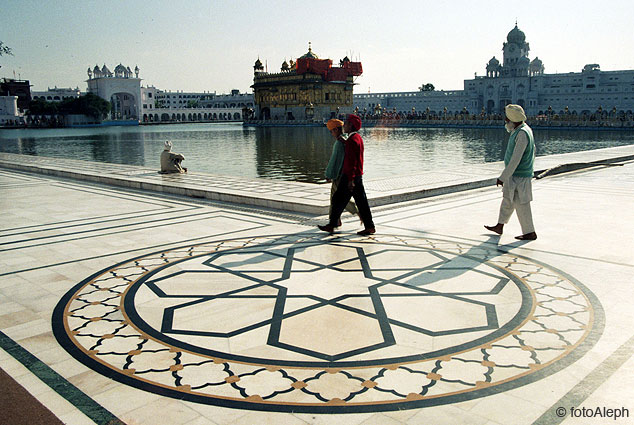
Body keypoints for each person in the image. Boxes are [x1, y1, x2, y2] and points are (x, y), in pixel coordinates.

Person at [485, 104, 537, 240]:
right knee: (508, 200)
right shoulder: (524, 129)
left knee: (521, 204)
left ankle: (529, 232)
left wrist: (502, 177)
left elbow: (515, 159)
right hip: (517, 175)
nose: (506, 123)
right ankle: (500, 225)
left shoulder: (522, 134)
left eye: (507, 120)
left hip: (519, 176)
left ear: (512, 121)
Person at [319, 114, 376, 235]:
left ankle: (332, 224)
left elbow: (352, 161)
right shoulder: (356, 138)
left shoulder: (351, 140)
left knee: (337, 199)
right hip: (356, 176)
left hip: (350, 177)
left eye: (346, 123)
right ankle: (369, 226)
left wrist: (350, 180)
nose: (343, 125)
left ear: (351, 125)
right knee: (361, 202)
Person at [324, 119, 359, 227]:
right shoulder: (345, 140)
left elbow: (335, 161)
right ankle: (335, 221)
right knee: (335, 198)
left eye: (332, 131)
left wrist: (329, 174)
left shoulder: (339, 143)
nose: (332, 134)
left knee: (340, 199)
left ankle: (359, 212)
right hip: (345, 174)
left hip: (339, 176)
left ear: (336, 129)